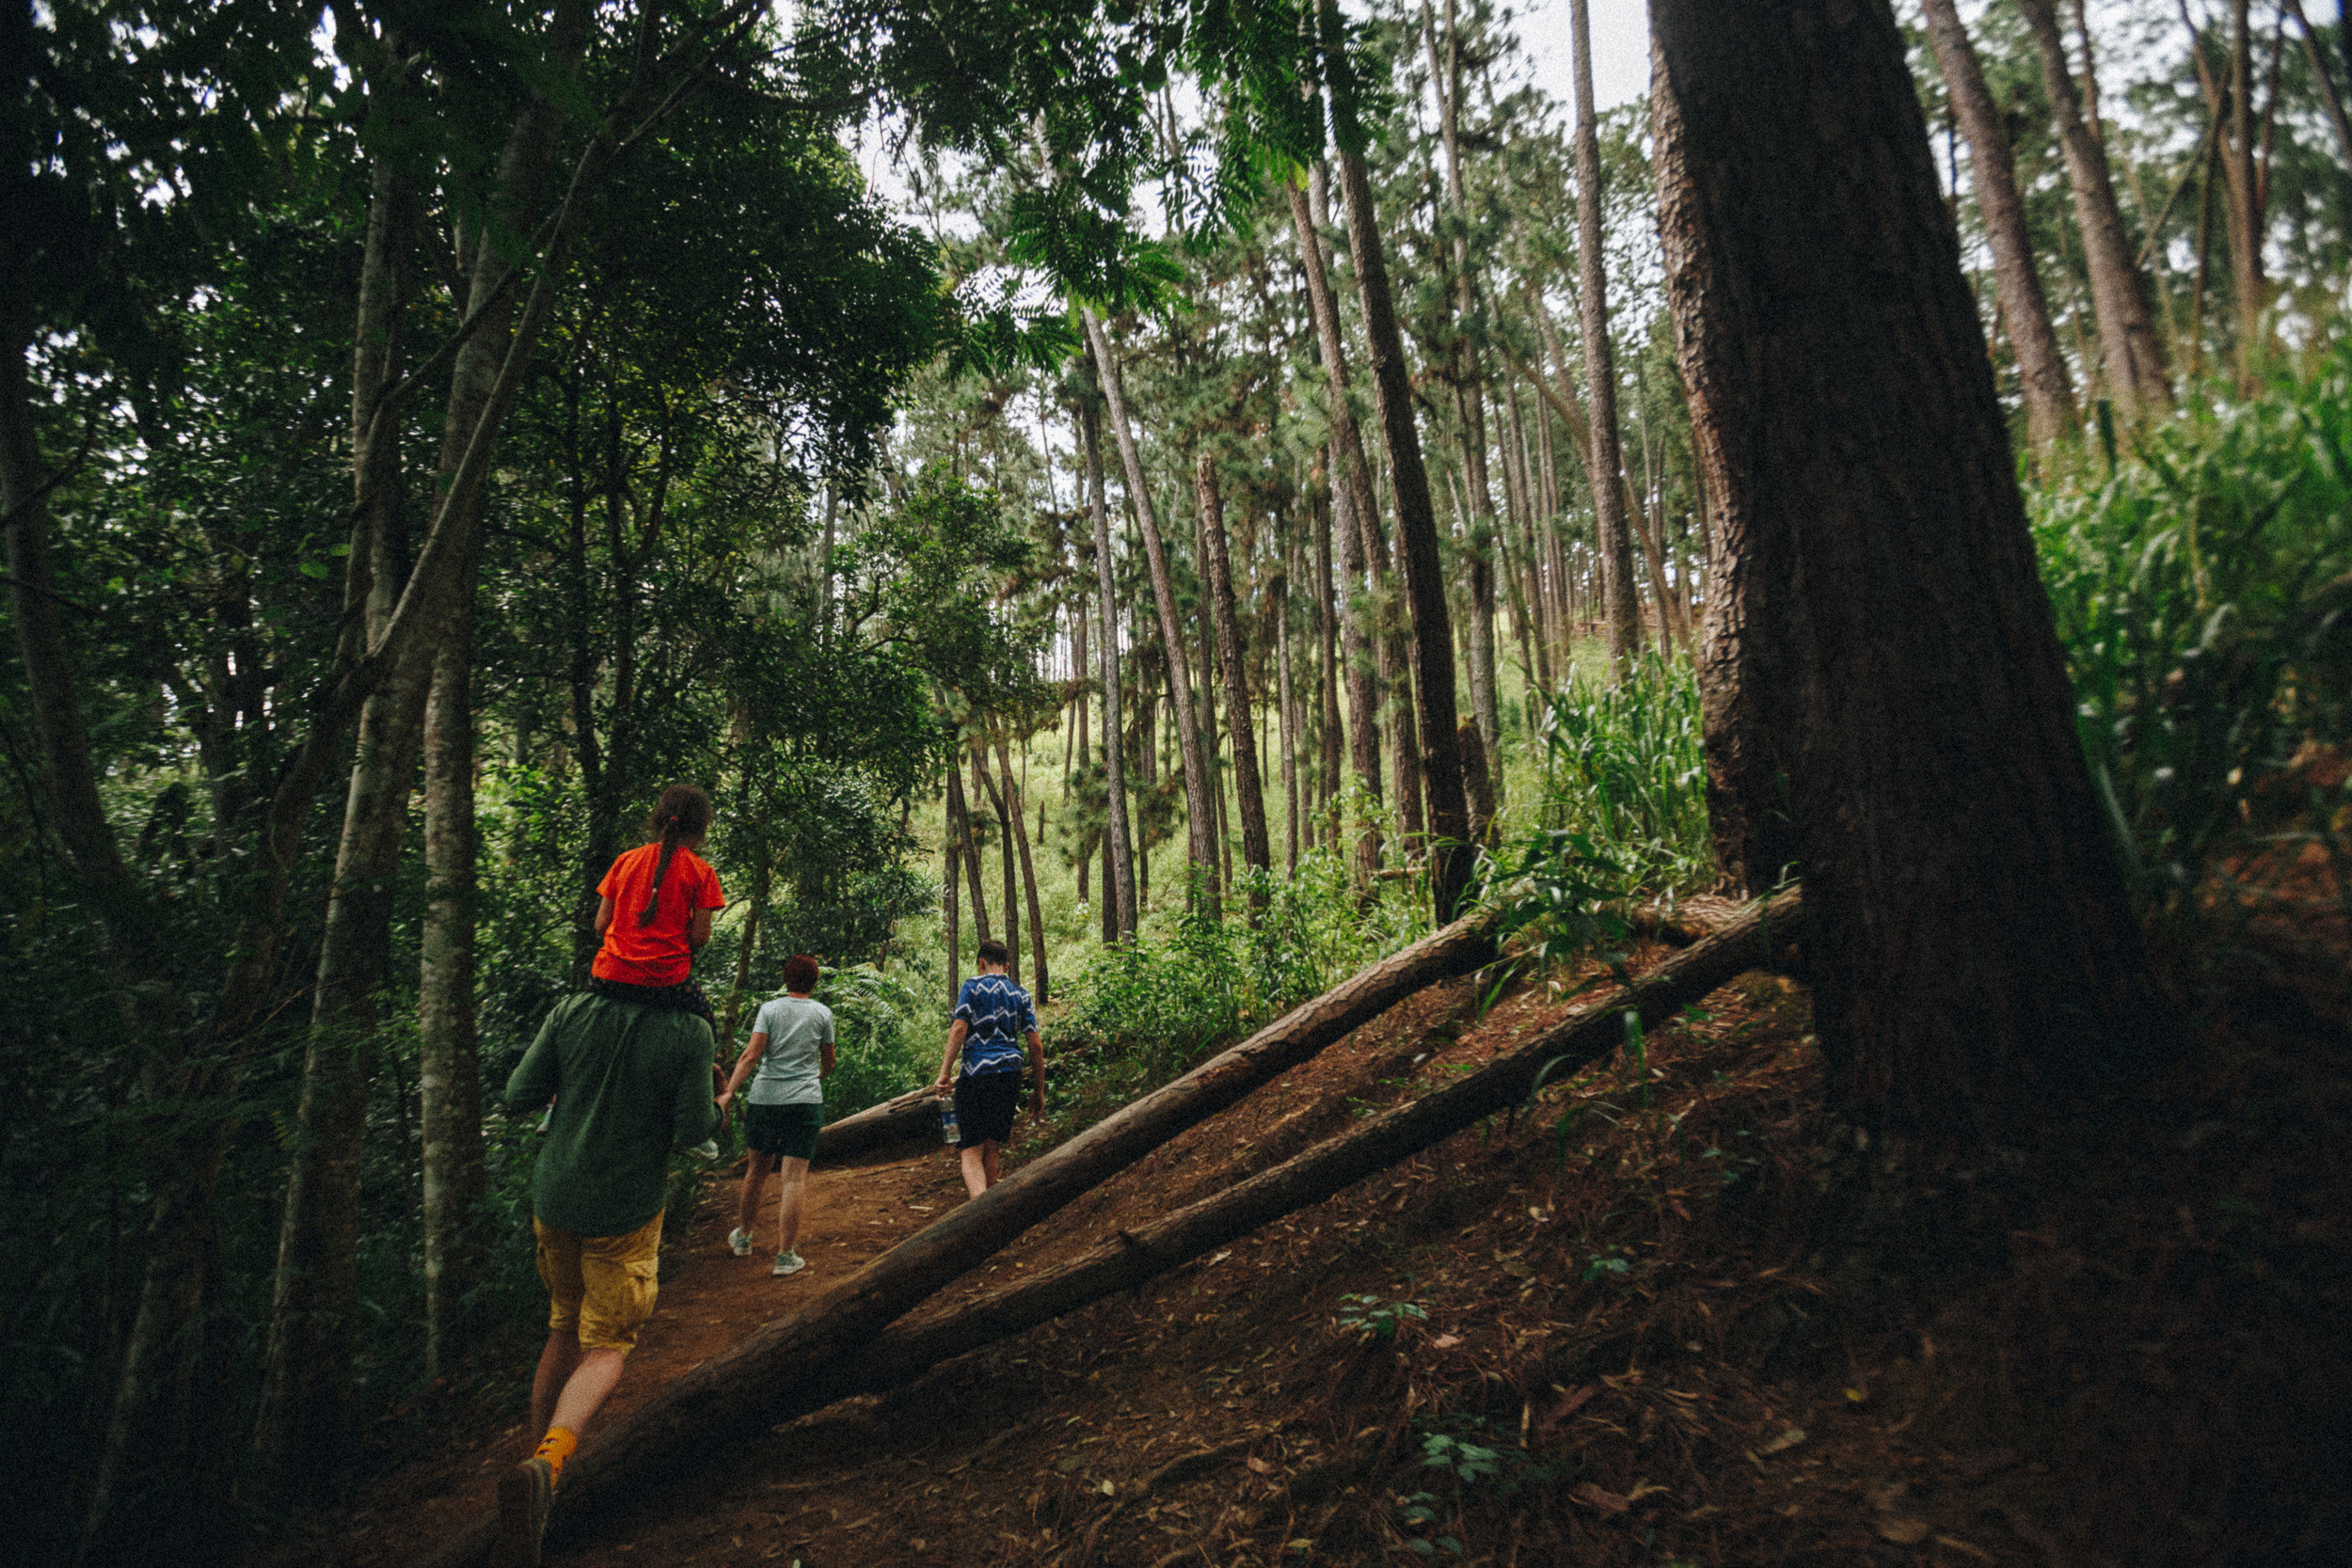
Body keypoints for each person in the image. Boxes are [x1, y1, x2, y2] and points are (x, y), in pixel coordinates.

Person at [492, 784, 724, 1568]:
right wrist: (715, 1101)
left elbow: (520, 1093)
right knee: (608, 1345)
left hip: (554, 1194)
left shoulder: (569, 1011)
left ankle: (533, 1469)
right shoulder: (690, 1031)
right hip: (624, 1206)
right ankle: (550, 1465)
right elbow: (697, 1133)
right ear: (699, 829)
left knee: (562, 1324)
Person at [718, 954, 835, 1277]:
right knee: (793, 1178)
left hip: (766, 1099)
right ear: (814, 982)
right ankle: (785, 1256)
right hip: (805, 1102)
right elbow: (829, 1061)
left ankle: (743, 1237)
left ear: (786, 980)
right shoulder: (823, 1013)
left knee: (756, 1171)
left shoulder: (769, 1010)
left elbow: (751, 1054)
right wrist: (818, 1077)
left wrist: (728, 1091)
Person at [930, 937, 1045, 1198]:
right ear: (1006, 967)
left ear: (981, 963)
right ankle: (990, 1215)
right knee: (991, 1147)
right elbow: (1035, 1045)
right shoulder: (1021, 994)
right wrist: (1039, 1090)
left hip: (977, 1076)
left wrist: (945, 1073)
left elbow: (959, 1028)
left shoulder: (971, 986)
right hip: (1010, 1076)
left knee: (970, 1151)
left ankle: (977, 1217)